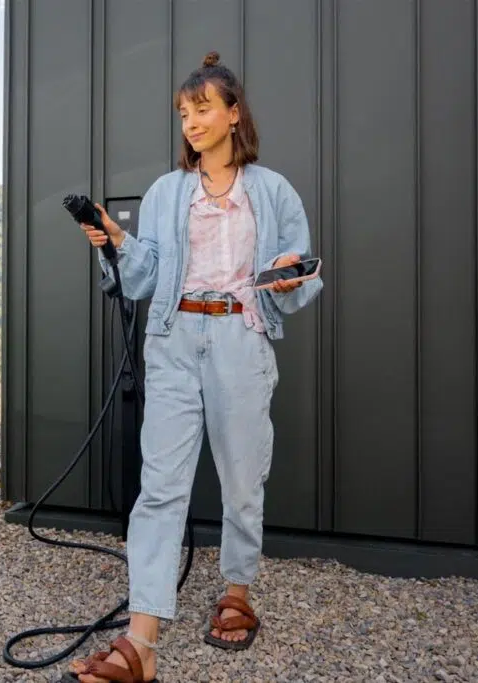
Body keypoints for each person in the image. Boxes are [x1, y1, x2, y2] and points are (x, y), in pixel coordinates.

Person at [67, 51, 323, 683]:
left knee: (241, 482)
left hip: (241, 335)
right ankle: (142, 644)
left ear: (234, 114)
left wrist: (291, 277)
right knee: (160, 487)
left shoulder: (272, 190)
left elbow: (303, 269)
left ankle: (237, 590)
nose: (191, 121)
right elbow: (144, 276)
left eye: (203, 108)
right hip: (175, 337)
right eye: (184, 112)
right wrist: (115, 243)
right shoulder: (166, 192)